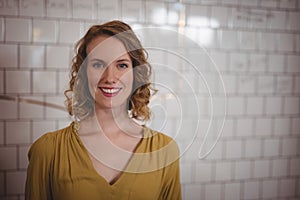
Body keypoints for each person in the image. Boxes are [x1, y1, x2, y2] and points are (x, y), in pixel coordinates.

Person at [25, 20, 182, 200]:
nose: (110, 77)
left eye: (121, 65)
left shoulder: (164, 151)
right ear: (83, 73)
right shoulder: (47, 151)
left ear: (135, 73)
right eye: (98, 65)